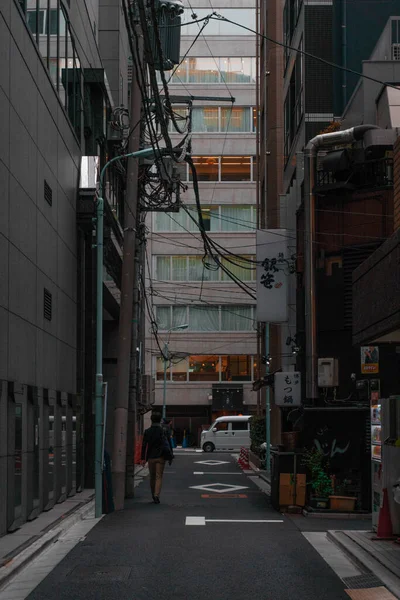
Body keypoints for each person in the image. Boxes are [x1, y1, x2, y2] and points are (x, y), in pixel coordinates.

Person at [141, 411, 173, 504]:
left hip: (151, 457)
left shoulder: (147, 431)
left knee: (152, 477)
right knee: (159, 476)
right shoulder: (163, 430)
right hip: (161, 457)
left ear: (151, 420)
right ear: (160, 420)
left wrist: (143, 458)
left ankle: (152, 494)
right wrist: (170, 456)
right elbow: (168, 444)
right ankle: (156, 495)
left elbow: (144, 445)